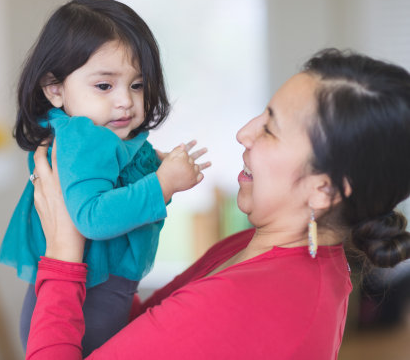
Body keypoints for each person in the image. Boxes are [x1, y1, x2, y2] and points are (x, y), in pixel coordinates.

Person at [26, 48, 410, 359]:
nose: (244, 133)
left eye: (270, 130)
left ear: (323, 190)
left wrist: (63, 256)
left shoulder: (248, 302)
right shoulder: (264, 249)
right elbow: (140, 334)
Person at [0, 0, 210, 355]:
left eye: (137, 85)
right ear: (55, 89)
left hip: (96, 304)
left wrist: (155, 164)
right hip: (82, 312)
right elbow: (91, 217)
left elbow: (117, 174)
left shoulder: (104, 137)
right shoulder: (84, 136)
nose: (126, 100)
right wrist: (163, 183)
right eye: (105, 86)